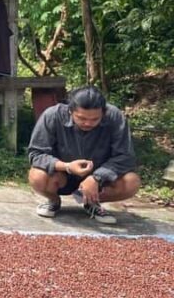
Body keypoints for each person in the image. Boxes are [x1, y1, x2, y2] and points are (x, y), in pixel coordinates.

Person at [28, 85, 140, 225]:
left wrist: (97, 177)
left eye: (95, 119)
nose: (88, 123)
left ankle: (91, 202)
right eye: (81, 118)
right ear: (70, 111)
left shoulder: (115, 116)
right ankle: (54, 200)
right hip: (61, 174)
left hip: (101, 176)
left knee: (131, 182)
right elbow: (36, 153)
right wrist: (67, 166)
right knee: (37, 176)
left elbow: (125, 157)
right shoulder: (52, 115)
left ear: (103, 113)